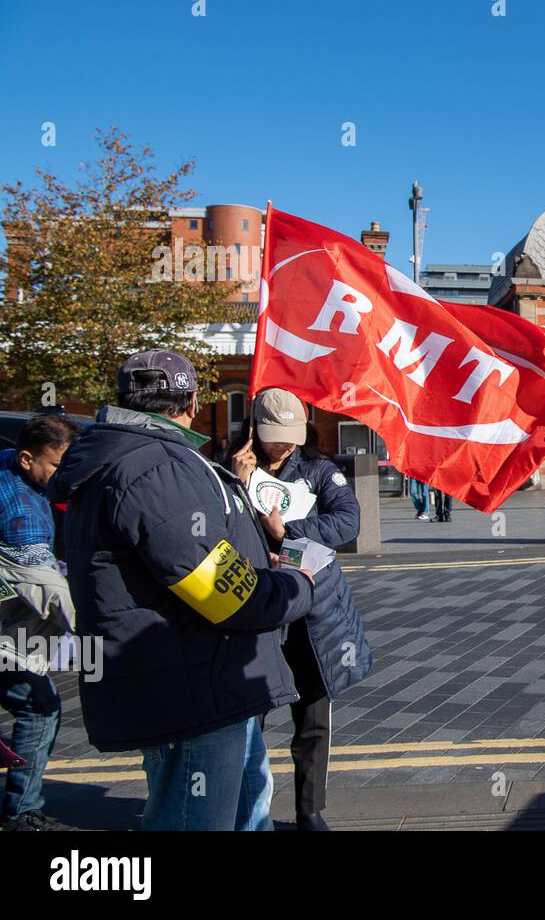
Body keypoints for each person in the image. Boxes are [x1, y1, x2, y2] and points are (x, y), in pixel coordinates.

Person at [46, 351, 317, 831]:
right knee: (193, 819)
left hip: (185, 675)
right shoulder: (156, 467)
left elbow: (184, 560)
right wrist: (294, 585)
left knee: (244, 808)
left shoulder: (125, 458)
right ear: (192, 401)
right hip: (193, 686)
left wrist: (258, 561)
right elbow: (221, 590)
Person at [228, 389, 373, 831]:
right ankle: (245, 809)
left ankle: (309, 810)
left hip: (313, 611)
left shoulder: (319, 470)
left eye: (291, 435)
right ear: (253, 429)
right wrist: (235, 481)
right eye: (274, 436)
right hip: (255, 609)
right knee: (247, 719)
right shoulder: (227, 470)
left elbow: (348, 522)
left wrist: (286, 530)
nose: (284, 445)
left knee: (313, 718)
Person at [0, 414, 79, 831]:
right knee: (40, 706)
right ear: (28, 457)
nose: (60, 474)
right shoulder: (21, 511)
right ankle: (20, 812)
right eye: (54, 465)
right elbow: (47, 588)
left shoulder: (7, 464)